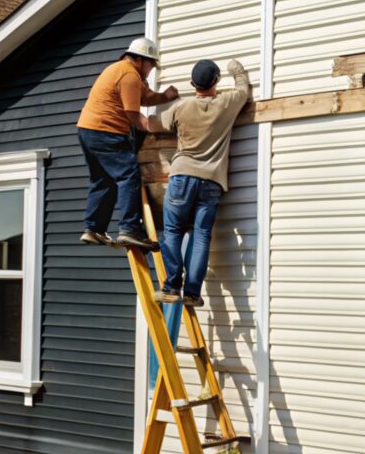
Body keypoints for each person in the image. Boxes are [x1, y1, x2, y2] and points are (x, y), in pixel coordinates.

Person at [156, 58, 250, 306]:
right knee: (201, 235)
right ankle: (192, 293)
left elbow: (159, 123)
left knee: (172, 231)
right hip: (211, 181)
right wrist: (236, 69)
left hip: (181, 176)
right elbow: (243, 89)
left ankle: (172, 286)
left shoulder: (181, 108)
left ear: (192, 84)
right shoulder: (226, 104)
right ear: (216, 81)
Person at [77, 37, 178, 251]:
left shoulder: (121, 70)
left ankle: (94, 228)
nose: (151, 69)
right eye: (151, 64)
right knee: (129, 174)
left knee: (103, 180)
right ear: (141, 60)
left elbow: (144, 97)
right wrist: (160, 127)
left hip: (87, 130)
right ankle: (130, 229)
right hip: (105, 130)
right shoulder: (129, 75)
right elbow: (135, 117)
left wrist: (165, 97)